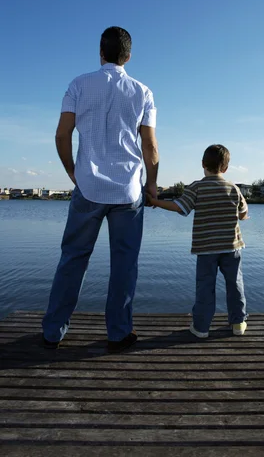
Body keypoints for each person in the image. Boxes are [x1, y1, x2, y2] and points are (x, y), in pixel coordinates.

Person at [42, 26, 159, 352]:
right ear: (128, 56)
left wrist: (71, 170)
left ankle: (53, 332)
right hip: (128, 192)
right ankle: (118, 333)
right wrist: (152, 185)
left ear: (101, 52)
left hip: (88, 187)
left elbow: (62, 134)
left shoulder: (78, 85)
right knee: (125, 265)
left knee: (72, 260)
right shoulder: (143, 92)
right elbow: (149, 146)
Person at [146, 144, 248, 338]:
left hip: (206, 249)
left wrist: (155, 202)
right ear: (225, 168)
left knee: (205, 287)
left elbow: (179, 207)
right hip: (231, 247)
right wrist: (241, 216)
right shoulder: (233, 188)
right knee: (235, 284)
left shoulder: (197, 187)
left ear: (203, 164)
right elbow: (243, 211)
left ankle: (201, 327)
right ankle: (238, 323)